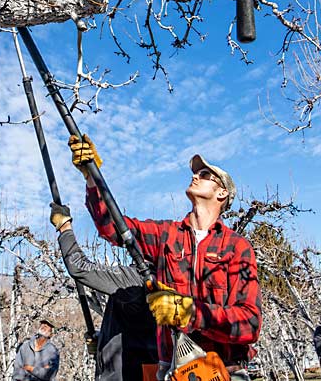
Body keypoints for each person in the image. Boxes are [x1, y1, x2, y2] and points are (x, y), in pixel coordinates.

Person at [69, 134, 261, 381]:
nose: (195, 176)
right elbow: (114, 229)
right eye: (196, 173)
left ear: (222, 193)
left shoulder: (237, 246)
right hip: (172, 370)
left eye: (204, 175)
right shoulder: (167, 235)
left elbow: (250, 323)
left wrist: (191, 312)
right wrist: (92, 176)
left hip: (225, 369)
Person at [49, 202, 159, 381]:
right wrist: (102, 341)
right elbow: (137, 333)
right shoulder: (159, 281)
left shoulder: (137, 279)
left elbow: (79, 267)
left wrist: (64, 227)